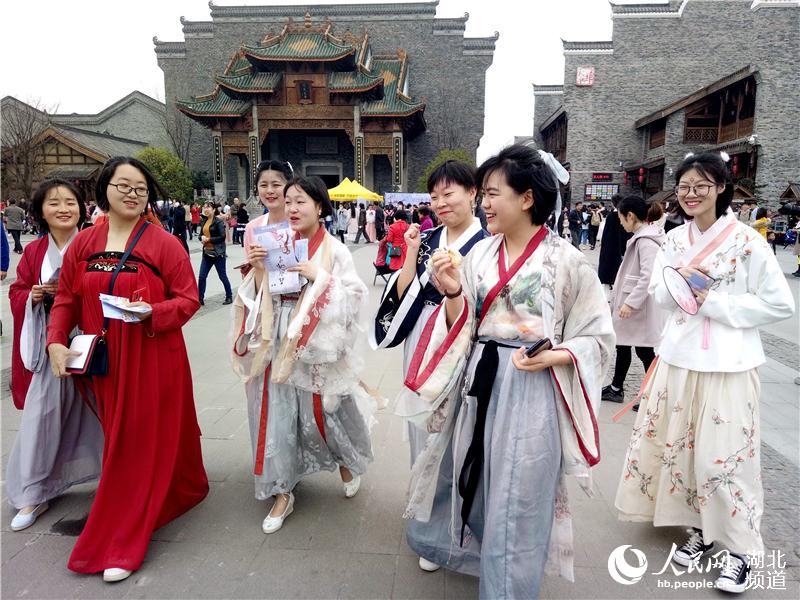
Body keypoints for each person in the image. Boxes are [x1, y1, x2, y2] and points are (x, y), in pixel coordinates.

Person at [397, 144, 613, 598]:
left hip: (533, 386)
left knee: (520, 494)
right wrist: (454, 293)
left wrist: (556, 356)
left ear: (527, 198)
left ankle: (507, 589)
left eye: (493, 194)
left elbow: (597, 337)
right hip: (482, 377)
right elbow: (464, 325)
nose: (484, 204)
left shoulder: (566, 261)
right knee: (474, 477)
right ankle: (478, 554)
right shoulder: (478, 257)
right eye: (484, 195)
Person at [615, 152, 794, 594]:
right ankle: (700, 528)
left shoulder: (747, 240)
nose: (691, 194)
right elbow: (657, 292)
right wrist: (678, 288)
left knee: (725, 456)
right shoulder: (673, 240)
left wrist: (711, 300)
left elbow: (779, 304)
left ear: (720, 187)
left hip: (728, 365)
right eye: (684, 187)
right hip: (678, 359)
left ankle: (741, 551)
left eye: (701, 185)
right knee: (681, 451)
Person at [46, 156, 209, 582]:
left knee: (133, 445)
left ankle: (121, 536)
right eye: (123, 185)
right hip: (106, 361)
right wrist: (55, 343)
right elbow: (65, 299)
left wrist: (152, 311)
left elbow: (188, 300)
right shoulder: (84, 243)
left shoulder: (164, 244)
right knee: (122, 437)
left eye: (140, 188)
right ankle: (167, 493)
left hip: (154, 356)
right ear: (105, 190)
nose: (132, 194)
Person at [231, 176, 375, 534]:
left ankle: (344, 460)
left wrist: (322, 278)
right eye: (289, 201)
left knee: (326, 411)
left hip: (317, 340)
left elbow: (357, 297)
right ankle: (282, 489)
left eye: (302, 202)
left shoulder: (336, 250)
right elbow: (258, 293)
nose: (292, 209)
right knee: (278, 410)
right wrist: (259, 268)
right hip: (278, 336)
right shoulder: (277, 243)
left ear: (320, 207)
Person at [370, 160, 489, 572]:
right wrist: (412, 256)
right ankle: (430, 525)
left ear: (473, 193)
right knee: (424, 433)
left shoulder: (488, 244)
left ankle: (460, 521)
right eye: (434, 195)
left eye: (449, 193)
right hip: (424, 342)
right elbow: (405, 295)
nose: (440, 203)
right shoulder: (429, 238)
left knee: (460, 437)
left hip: (462, 346)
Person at [7, 179, 104, 531]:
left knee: (105, 411)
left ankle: (116, 482)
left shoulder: (97, 242)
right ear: (40, 212)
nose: (63, 209)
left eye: (70, 202)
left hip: (93, 339)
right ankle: (34, 490)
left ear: (82, 207)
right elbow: (16, 291)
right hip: (53, 343)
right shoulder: (34, 253)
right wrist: (31, 295)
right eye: (53, 203)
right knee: (42, 413)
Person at [602, 195, 665, 408]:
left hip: (638, 307)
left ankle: (652, 394)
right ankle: (617, 387)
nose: (620, 222)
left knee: (644, 350)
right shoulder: (643, 236)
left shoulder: (646, 241)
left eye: (621, 218)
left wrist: (631, 302)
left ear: (630, 216)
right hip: (633, 305)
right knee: (624, 344)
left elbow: (648, 275)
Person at [243, 160, 293, 253]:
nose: (269, 190)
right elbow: (248, 265)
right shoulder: (252, 227)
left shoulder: (302, 223)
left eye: (276, 185)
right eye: (263, 185)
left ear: (289, 187)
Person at [198, 202, 233, 305]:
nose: (206, 209)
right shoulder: (204, 221)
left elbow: (222, 237)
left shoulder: (218, 222)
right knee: (202, 276)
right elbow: (200, 235)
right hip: (207, 254)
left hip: (218, 254)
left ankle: (229, 296)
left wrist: (209, 239)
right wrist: (201, 238)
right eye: (204, 207)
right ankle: (200, 298)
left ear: (213, 209)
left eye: (208, 207)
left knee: (222, 276)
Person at [597, 194, 632, 287]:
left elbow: (606, 235)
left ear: (613, 203)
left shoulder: (611, 216)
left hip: (611, 248)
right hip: (625, 247)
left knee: (610, 271)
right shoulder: (628, 215)